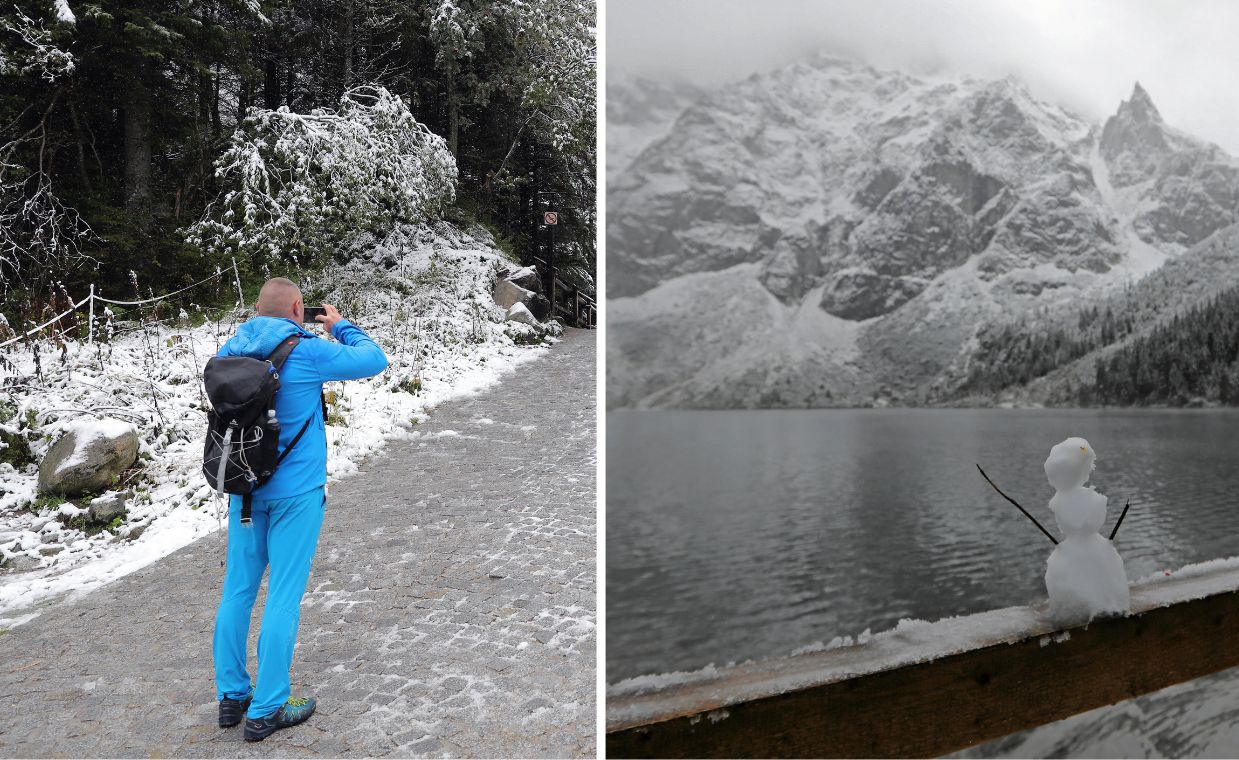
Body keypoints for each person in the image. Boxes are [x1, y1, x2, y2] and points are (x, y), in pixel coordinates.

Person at [211, 277, 387, 742]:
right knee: (283, 596)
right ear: (296, 308)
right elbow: (375, 359)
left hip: (244, 488)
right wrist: (341, 325)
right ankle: (269, 707)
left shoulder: (232, 349)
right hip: (297, 493)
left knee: (238, 592)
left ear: (255, 310)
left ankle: (232, 695)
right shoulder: (306, 351)